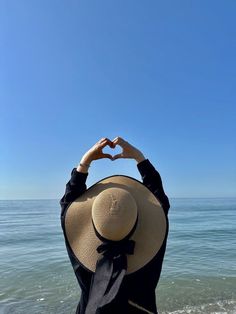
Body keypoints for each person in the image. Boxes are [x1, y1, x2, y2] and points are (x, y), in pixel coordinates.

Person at [60, 137, 170, 314]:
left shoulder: (78, 250)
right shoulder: (154, 246)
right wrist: (139, 157)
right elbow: (160, 201)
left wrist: (85, 162)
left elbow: (68, 204)